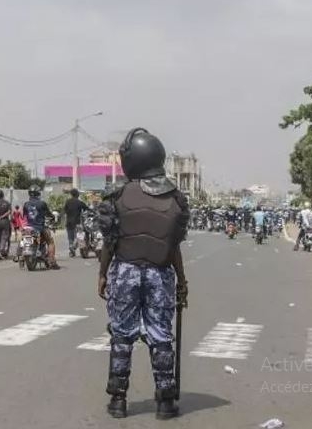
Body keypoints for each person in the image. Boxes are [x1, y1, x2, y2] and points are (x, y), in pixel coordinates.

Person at [97, 128, 189, 420]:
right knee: (161, 336)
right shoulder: (176, 199)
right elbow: (174, 247)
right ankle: (165, 401)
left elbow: (109, 244)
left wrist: (102, 275)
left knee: (122, 336)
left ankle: (118, 401)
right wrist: (182, 281)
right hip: (161, 274)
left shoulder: (117, 196)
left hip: (124, 271)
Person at [23, 185, 59, 269]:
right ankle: (51, 261)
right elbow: (49, 214)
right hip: (40, 227)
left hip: (28, 228)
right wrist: (53, 218)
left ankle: (21, 257)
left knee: (23, 239)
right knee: (50, 241)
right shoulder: (42, 203)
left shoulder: (26, 204)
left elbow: (24, 215)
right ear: (38, 193)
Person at [64, 188, 89, 258]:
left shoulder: (67, 202)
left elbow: (65, 211)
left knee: (70, 238)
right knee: (79, 237)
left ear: (71, 194)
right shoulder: (79, 202)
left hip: (68, 222)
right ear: (77, 194)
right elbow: (87, 209)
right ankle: (73, 248)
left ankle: (71, 251)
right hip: (77, 223)